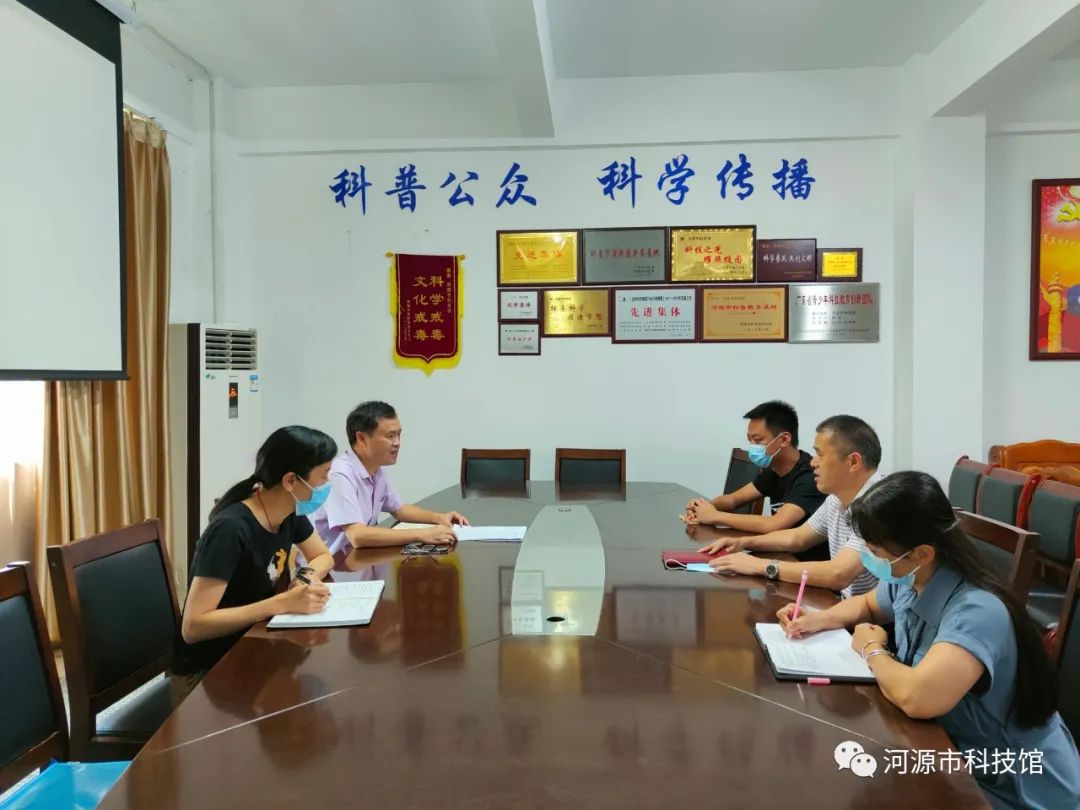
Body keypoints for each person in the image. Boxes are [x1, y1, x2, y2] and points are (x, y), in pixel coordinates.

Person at [778, 472, 1080, 810]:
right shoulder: (912, 575)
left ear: (922, 552)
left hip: (1013, 784)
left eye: (875, 551)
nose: (868, 559)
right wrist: (818, 618)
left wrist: (872, 649)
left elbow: (917, 697)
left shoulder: (977, 611)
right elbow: (868, 605)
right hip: (951, 753)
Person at [174, 425, 338, 677]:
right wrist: (281, 604)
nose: (328, 483)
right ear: (291, 481)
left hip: (256, 644)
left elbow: (322, 556)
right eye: (324, 475)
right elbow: (194, 627)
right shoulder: (230, 530)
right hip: (213, 668)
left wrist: (303, 578)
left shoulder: (288, 512)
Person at [702, 414, 882, 597]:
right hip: (847, 605)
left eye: (820, 454)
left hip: (868, 614)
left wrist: (760, 566)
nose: (813, 462)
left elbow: (838, 574)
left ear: (853, 462)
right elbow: (798, 538)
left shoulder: (879, 506)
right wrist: (742, 542)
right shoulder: (836, 499)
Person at [311, 401, 469, 555]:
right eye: (391, 436)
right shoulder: (339, 474)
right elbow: (357, 536)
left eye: (399, 435)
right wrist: (423, 534)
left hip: (358, 557)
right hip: (331, 564)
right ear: (361, 438)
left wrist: (440, 518)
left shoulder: (376, 469)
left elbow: (399, 509)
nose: (397, 443)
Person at [684, 400, 826, 535]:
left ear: (784, 440)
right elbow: (733, 500)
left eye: (758, 440)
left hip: (800, 552)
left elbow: (774, 524)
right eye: (750, 440)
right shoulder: (774, 471)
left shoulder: (811, 476)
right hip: (777, 547)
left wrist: (715, 516)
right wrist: (701, 507)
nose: (752, 447)